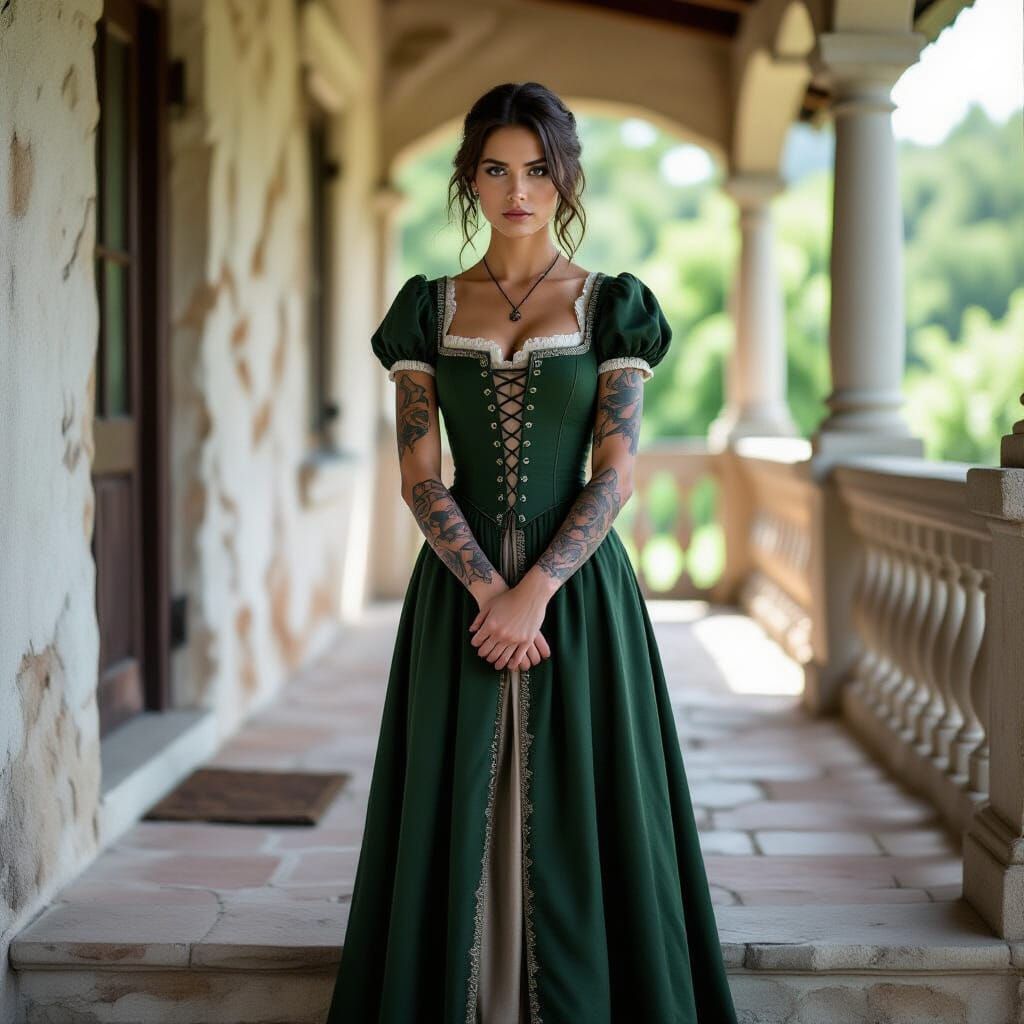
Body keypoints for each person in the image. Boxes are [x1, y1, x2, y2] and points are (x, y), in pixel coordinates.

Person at [326, 81, 738, 1024]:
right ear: (470, 180)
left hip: (580, 599)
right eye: (498, 169)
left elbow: (615, 474)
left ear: (566, 177)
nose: (520, 188)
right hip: (459, 601)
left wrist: (536, 593)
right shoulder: (427, 310)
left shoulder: (611, 308)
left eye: (540, 169)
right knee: (453, 795)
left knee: (589, 807)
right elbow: (419, 475)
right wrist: (488, 595)